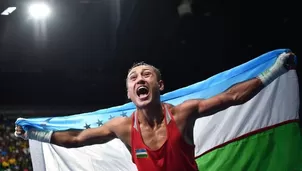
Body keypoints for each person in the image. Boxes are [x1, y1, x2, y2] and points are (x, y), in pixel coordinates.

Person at [15, 51, 296, 171]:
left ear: (159, 85)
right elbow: (76, 139)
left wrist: (275, 70)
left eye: (146, 74)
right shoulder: (122, 127)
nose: (140, 79)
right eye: (133, 77)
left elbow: (232, 96)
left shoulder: (184, 113)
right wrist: (36, 134)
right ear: (129, 93)